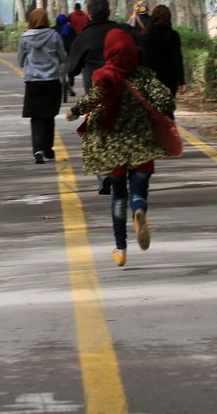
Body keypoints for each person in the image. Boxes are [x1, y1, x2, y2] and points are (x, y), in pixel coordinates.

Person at [67, 29, 177, 267]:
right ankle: (139, 210)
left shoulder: (106, 76)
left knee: (118, 196)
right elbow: (166, 99)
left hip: (113, 149)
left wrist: (74, 111)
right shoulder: (146, 77)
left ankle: (121, 249)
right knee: (139, 191)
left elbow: (91, 99)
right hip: (142, 146)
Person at [67, 0, 150, 92]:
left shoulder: (83, 38)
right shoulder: (125, 30)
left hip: (96, 91)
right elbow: (144, 46)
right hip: (123, 89)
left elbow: (72, 69)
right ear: (109, 12)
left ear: (89, 15)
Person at [16, 8, 66, 164]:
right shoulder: (54, 35)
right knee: (49, 115)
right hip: (51, 80)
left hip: (33, 81)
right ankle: (48, 149)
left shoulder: (25, 38)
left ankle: (37, 150)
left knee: (36, 116)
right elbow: (63, 56)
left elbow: (20, 61)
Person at [145, 4, 185, 108]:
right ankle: (169, 123)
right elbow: (178, 58)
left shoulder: (146, 34)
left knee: (152, 108)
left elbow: (145, 56)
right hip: (170, 76)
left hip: (151, 76)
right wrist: (181, 82)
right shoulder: (173, 35)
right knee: (168, 107)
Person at [55, 13, 78, 97]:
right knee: (71, 71)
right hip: (69, 53)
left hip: (56, 54)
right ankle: (71, 87)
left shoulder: (53, 30)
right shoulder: (71, 29)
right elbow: (76, 40)